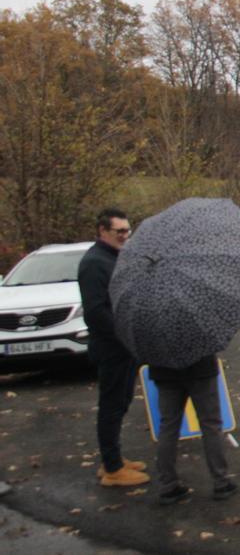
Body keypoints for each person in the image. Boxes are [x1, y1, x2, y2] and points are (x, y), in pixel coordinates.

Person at [78, 208, 149, 487]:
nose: (125, 235)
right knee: (111, 405)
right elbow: (96, 312)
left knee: (121, 403)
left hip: (124, 347)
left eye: (127, 230)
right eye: (119, 231)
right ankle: (112, 468)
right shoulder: (95, 262)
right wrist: (124, 334)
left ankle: (114, 459)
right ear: (102, 231)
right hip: (112, 348)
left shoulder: (114, 258)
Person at [149, 354, 237, 505]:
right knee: (211, 425)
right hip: (200, 368)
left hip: (164, 369)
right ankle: (221, 482)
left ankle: (167, 485)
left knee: (168, 426)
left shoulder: (153, 330)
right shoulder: (197, 331)